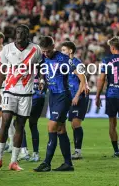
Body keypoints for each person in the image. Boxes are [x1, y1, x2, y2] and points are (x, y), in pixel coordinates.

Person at [0, 25, 43, 171]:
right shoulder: (7, 48)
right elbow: (2, 71)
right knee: (5, 122)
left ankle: (13, 161)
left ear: (27, 35)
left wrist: (42, 79)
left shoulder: (36, 49)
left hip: (26, 93)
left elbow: (40, 66)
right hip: (9, 91)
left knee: (20, 126)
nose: (19, 35)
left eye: (22, 33)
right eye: (17, 32)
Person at [34, 36, 86, 172]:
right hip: (52, 95)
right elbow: (43, 74)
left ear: (53, 47)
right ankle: (68, 164)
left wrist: (83, 86)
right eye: (43, 51)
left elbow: (80, 75)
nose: (45, 54)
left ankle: (46, 163)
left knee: (51, 127)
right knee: (61, 129)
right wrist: (42, 82)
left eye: (48, 51)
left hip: (63, 96)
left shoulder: (63, 59)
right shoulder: (43, 59)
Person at [61, 41, 90, 160]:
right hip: (70, 96)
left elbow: (83, 80)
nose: (62, 52)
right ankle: (76, 151)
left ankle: (78, 152)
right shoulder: (66, 63)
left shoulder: (77, 63)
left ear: (70, 51)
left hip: (79, 96)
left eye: (64, 50)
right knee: (73, 125)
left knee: (75, 123)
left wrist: (77, 95)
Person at [18, 67, 46, 162]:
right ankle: (35, 153)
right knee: (33, 124)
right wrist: (42, 81)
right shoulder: (42, 61)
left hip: (30, 95)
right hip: (40, 95)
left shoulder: (24, 61)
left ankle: (24, 151)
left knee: (19, 123)